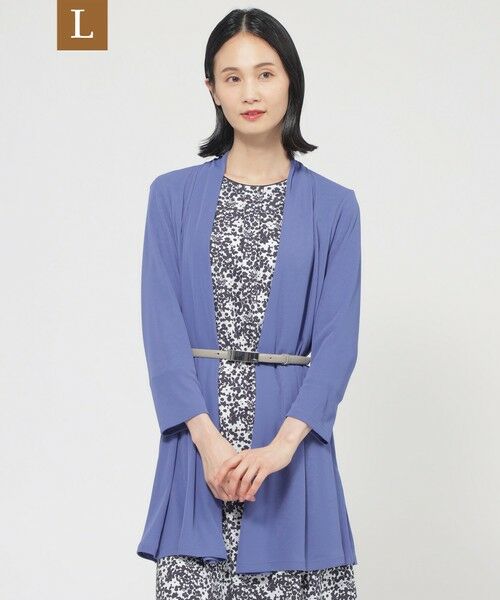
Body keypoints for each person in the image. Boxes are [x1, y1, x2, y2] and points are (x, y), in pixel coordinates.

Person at [137, 8, 361, 600]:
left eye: (265, 73)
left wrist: (281, 449)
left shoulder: (335, 207)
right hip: (199, 447)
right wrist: (209, 445)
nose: (250, 92)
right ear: (212, 90)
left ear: (291, 80)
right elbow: (162, 331)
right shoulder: (172, 196)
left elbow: (337, 343)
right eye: (232, 78)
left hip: (293, 453)